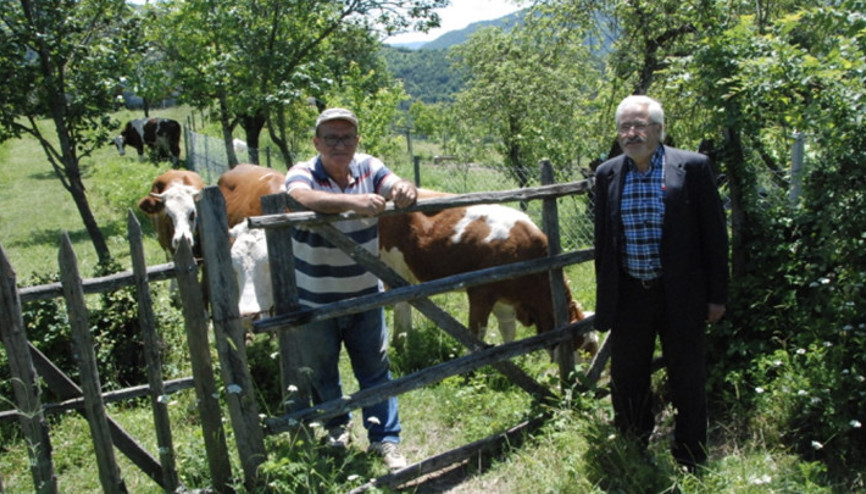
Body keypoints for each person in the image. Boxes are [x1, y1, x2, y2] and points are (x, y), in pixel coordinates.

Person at [593, 95, 729, 472]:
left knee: (687, 375)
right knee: (628, 376)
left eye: (639, 126)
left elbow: (715, 237)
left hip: (681, 295)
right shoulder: (607, 174)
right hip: (630, 295)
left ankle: (690, 456)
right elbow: (604, 242)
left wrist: (717, 296)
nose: (630, 134)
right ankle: (634, 447)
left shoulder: (693, 168)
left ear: (658, 129)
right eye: (624, 127)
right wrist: (607, 296)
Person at [284, 107, 417, 471]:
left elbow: (394, 184)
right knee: (323, 370)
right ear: (317, 142)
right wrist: (353, 202)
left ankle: (385, 441)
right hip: (315, 297)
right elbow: (302, 197)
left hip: (364, 294)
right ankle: (336, 430)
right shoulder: (303, 171)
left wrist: (403, 188)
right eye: (331, 137)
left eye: (346, 137)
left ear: (357, 141)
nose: (339, 144)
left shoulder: (369, 166)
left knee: (375, 368)